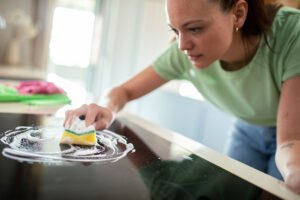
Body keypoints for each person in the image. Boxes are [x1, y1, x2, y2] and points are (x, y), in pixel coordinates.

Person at [64, 0, 300, 194]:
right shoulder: (184, 54)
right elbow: (122, 92)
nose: (182, 46)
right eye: (175, 31)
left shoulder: (292, 33)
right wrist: (106, 108)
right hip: (248, 126)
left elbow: (290, 140)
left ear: (238, 14)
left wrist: (294, 173)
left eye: (195, 28)